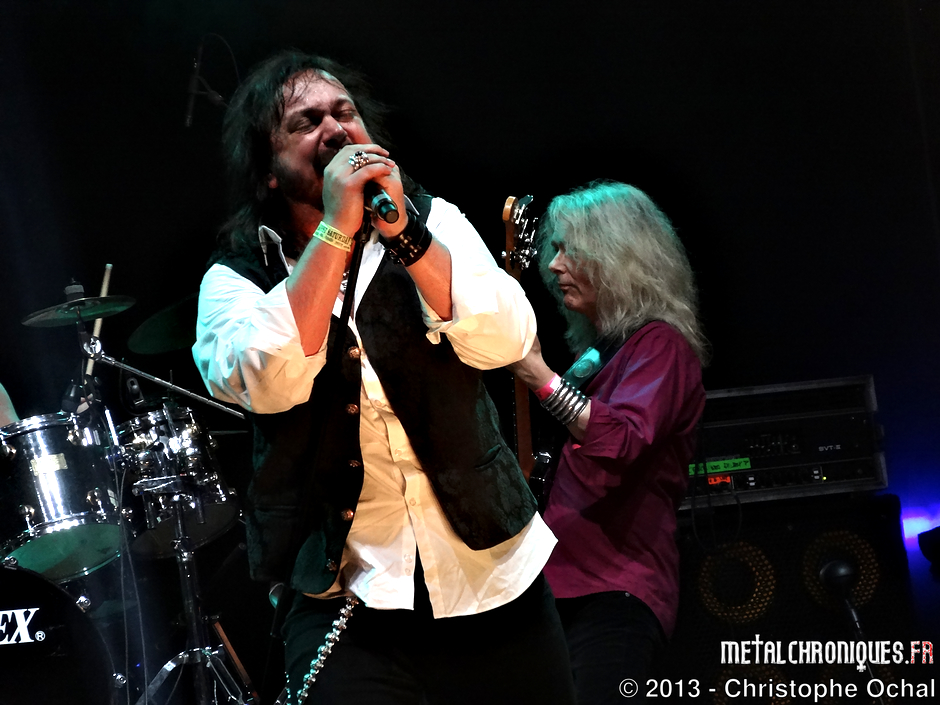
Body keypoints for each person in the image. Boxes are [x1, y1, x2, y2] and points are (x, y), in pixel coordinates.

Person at [192, 51, 575, 705]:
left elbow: (509, 338)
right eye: (306, 122)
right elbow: (267, 379)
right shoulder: (236, 278)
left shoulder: (434, 220)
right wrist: (335, 231)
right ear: (269, 171)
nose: (335, 129)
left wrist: (406, 235)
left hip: (493, 579)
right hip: (347, 603)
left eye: (345, 113)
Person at [509, 180, 708, 704]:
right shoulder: (600, 355)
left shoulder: (661, 346)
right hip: (556, 588)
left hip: (613, 589)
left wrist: (539, 377)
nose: (554, 265)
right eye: (553, 249)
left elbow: (622, 438)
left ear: (620, 257)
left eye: (570, 249)